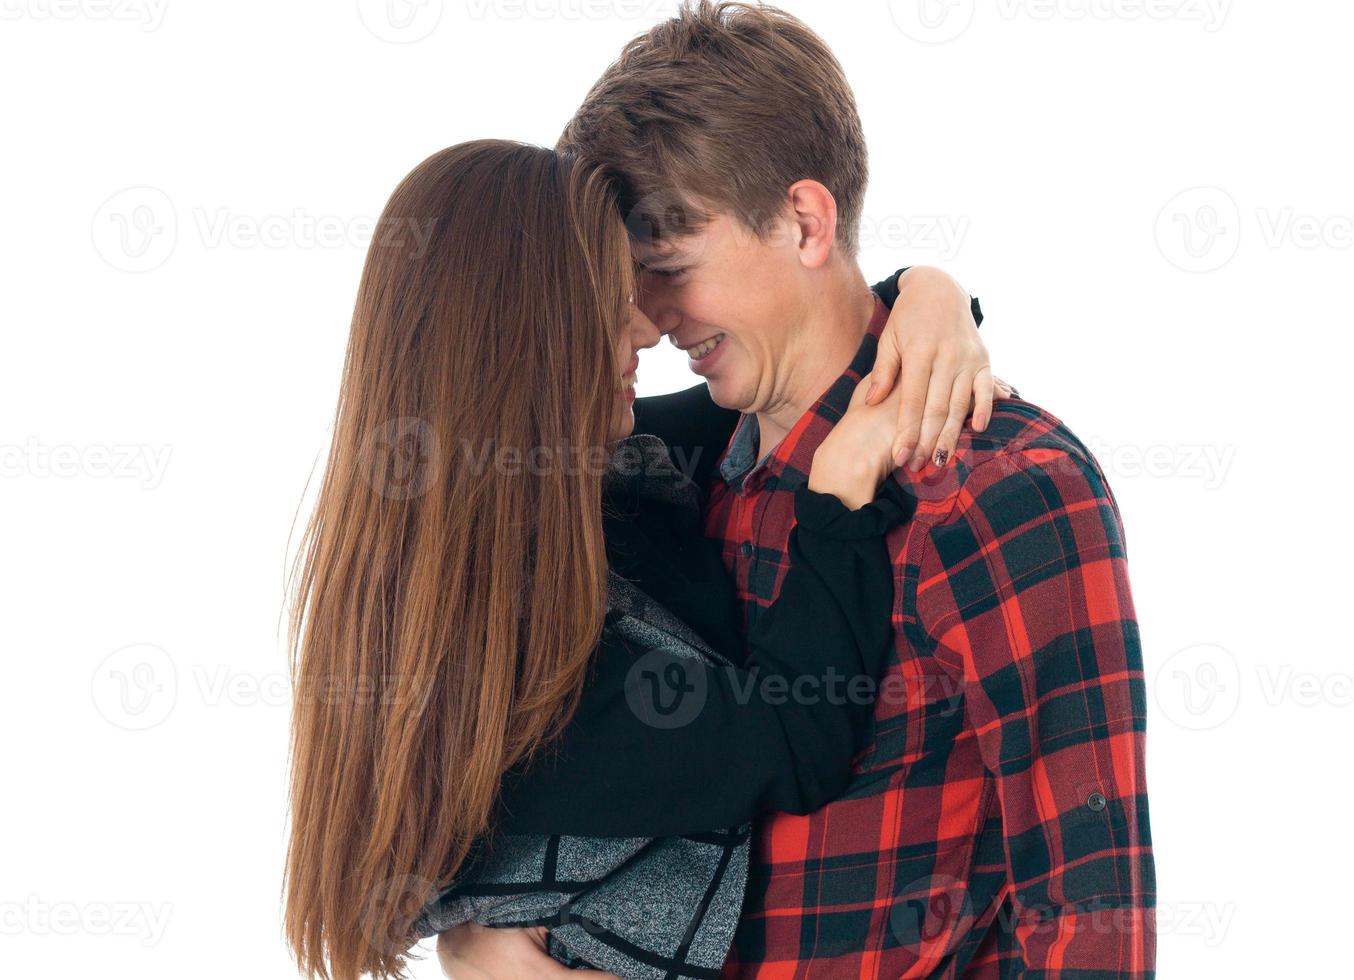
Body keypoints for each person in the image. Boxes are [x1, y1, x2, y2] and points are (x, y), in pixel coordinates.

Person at [441, 3, 1156, 977]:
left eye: (672, 269)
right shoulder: (667, 476)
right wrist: (478, 943)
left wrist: (930, 293)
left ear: (806, 221)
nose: (648, 320)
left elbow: (1090, 910)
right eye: (632, 278)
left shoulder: (1004, 489)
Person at [281, 140, 998, 980]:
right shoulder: (511, 681)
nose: (649, 326)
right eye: (609, 298)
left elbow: (798, 365)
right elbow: (795, 736)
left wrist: (930, 297)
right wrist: (838, 490)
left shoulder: (556, 480)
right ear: (525, 340)